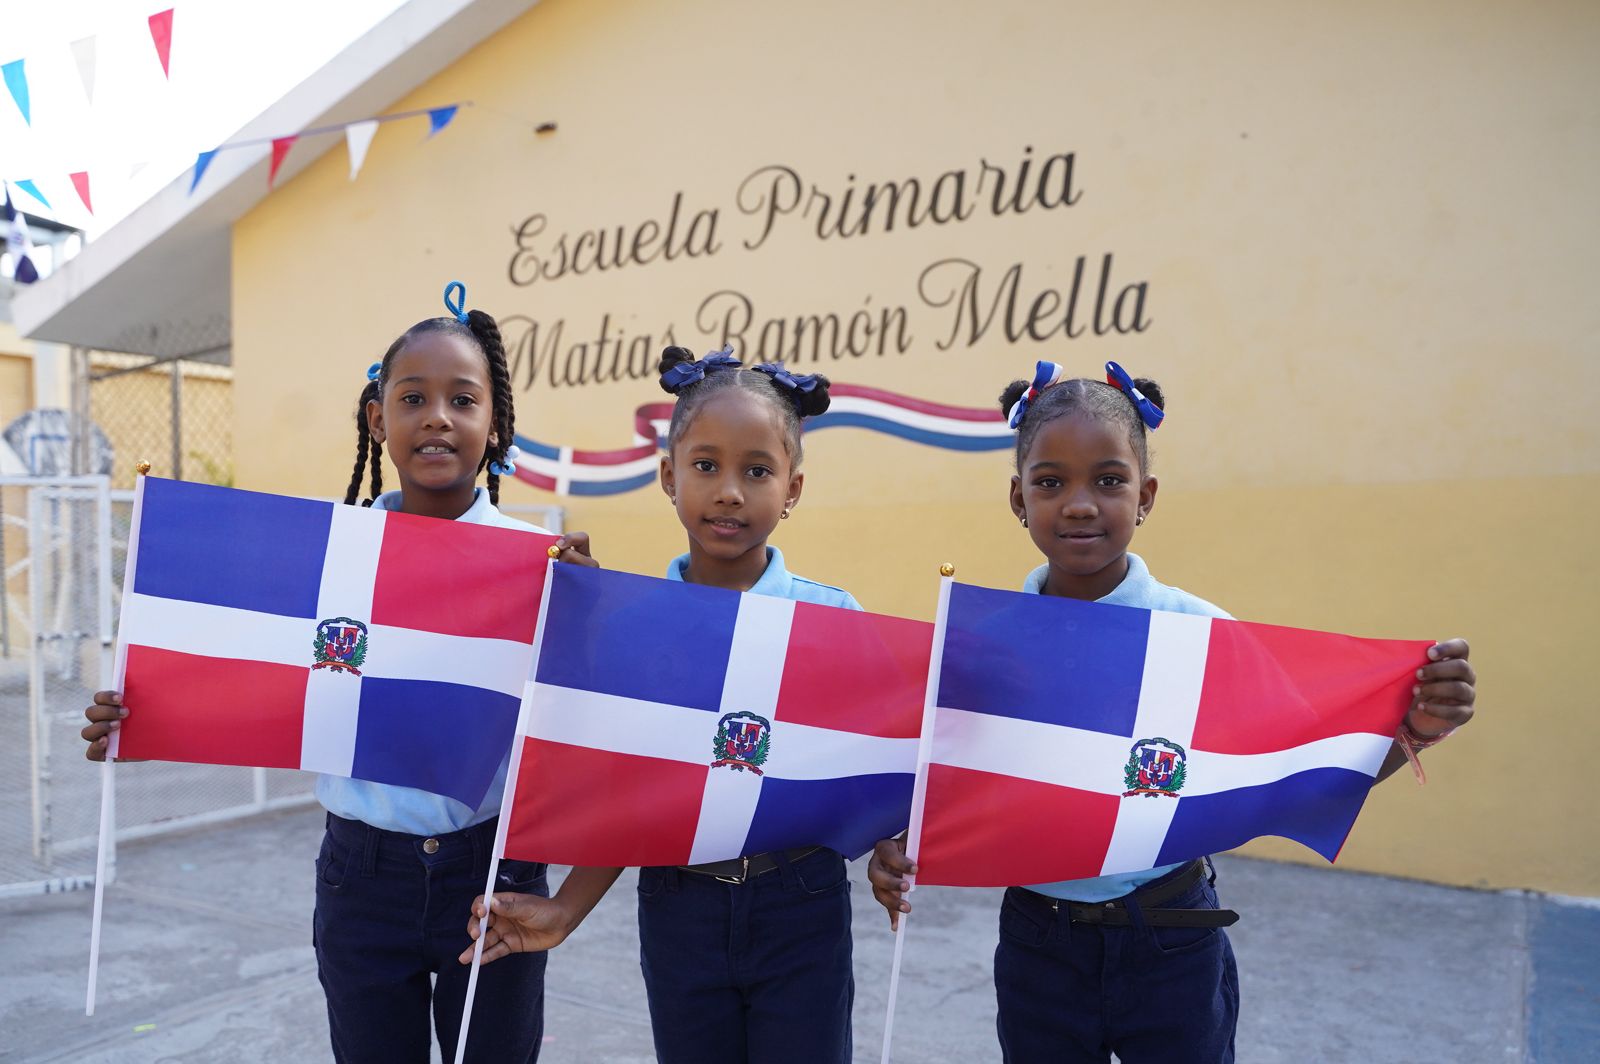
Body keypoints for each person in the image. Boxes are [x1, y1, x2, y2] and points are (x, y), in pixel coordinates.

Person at [866, 360, 1479, 1064]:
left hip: (1171, 936)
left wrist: (1417, 728)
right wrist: (900, 842)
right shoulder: (987, 647)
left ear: (1146, 496)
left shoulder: (1201, 636)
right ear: (1018, 498)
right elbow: (953, 780)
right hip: (1039, 943)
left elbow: (1307, 768)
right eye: (1050, 482)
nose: (1079, 504)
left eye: (1108, 481)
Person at [82, 281, 596, 1064]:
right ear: (377, 419)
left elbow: (584, 724)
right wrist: (146, 714)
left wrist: (587, 618)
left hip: (494, 870)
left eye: (463, 400)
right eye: (413, 398)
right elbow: (248, 675)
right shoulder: (329, 559)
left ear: (496, 426)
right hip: (363, 877)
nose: (437, 417)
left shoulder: (541, 566)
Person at [458, 346, 860, 1064]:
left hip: (802, 903)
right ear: (669, 476)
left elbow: (877, 770)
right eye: (705, 466)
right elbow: (632, 796)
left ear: (792, 488)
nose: (729, 492)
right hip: (679, 906)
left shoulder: (834, 622)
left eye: (757, 471)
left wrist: (893, 845)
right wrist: (565, 910)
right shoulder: (634, 627)